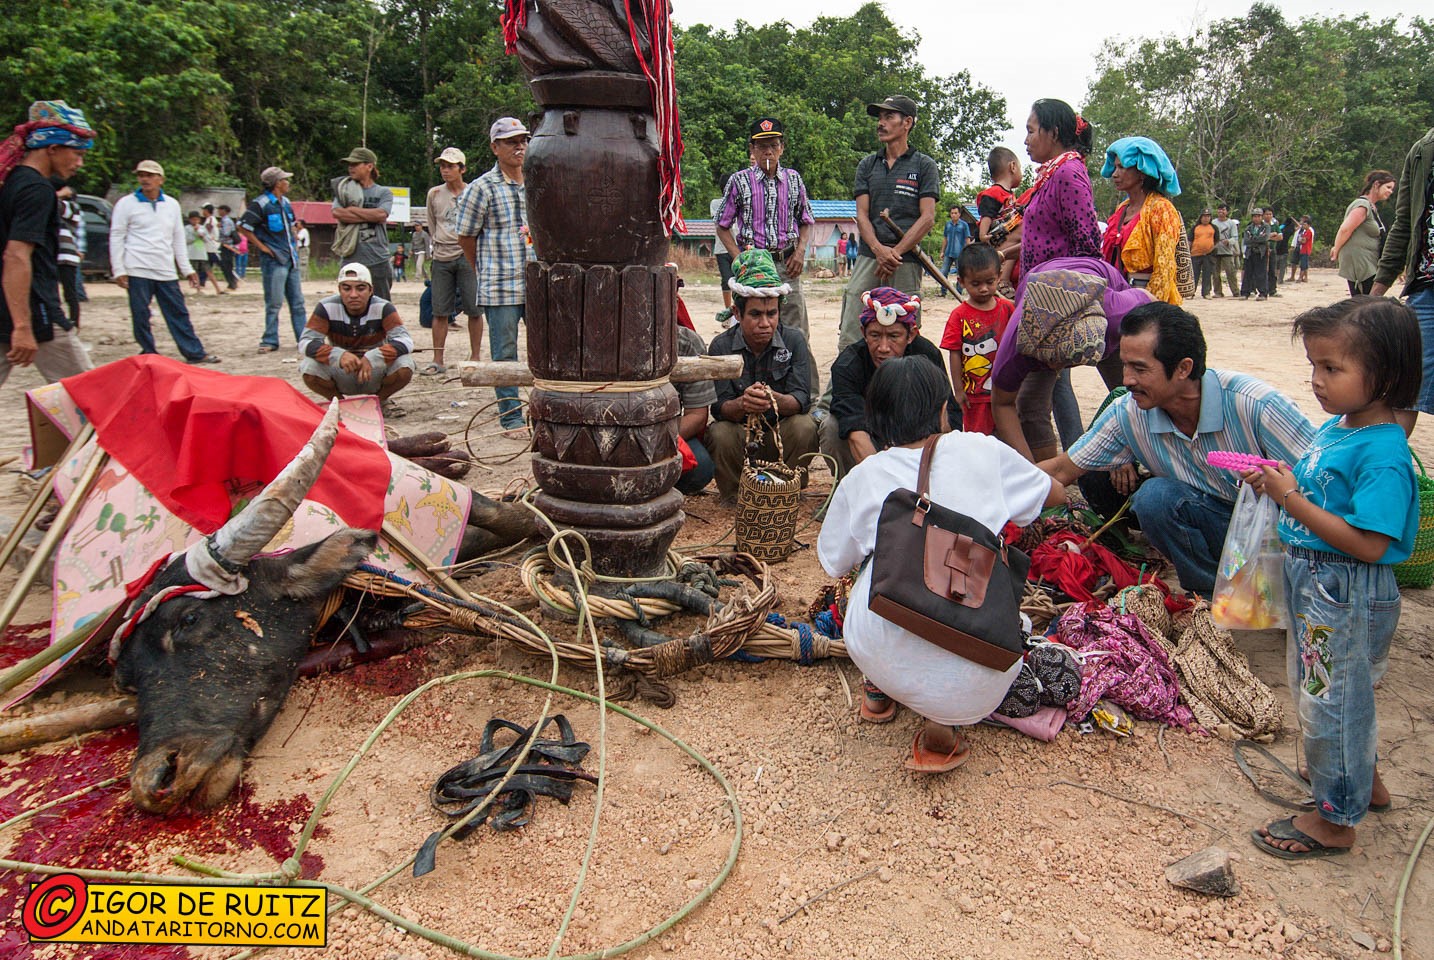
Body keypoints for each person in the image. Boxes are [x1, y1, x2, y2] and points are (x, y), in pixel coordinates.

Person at [817, 355, 1065, 772]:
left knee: (869, 568)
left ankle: (879, 687)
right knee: (970, 572)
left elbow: (833, 560)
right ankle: (944, 723)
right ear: (942, 410)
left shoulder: (863, 477)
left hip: (880, 650)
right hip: (986, 671)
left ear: (874, 418)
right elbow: (1053, 495)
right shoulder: (982, 450)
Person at [1248, 297, 1419, 860]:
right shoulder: (1341, 428)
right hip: (1319, 586)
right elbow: (1325, 493)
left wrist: (1289, 498)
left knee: (1330, 701)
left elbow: (1370, 544)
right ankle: (1361, 783)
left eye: (1332, 368)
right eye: (1314, 367)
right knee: (1334, 693)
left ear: (1386, 375)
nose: (1318, 381)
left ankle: (1335, 820)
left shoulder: (1384, 454)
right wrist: (1283, 479)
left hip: (1341, 589)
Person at [1040, 302, 1314, 596]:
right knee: (1155, 498)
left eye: (1140, 369)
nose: (1126, 380)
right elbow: (1062, 469)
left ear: (1184, 368)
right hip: (1219, 526)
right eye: (1125, 365)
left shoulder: (1256, 404)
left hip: (1280, 537)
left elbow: (1330, 481)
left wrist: (1281, 487)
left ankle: (1277, 587)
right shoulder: (1129, 412)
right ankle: (1211, 593)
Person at [990, 257, 1149, 462]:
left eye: (1067, 362)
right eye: (1049, 360)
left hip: (1100, 284)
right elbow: (1002, 404)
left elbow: (1150, 301)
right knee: (1030, 406)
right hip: (1041, 286)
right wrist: (1034, 476)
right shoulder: (1019, 341)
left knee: (1135, 392)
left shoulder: (1117, 314)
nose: (1057, 369)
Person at [833, 95, 940, 366]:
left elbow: (927, 217)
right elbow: (862, 215)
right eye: (880, 118)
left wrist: (895, 252)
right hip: (870, 256)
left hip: (906, 260)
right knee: (852, 325)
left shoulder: (923, 165)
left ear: (907, 123)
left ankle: (903, 392)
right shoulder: (867, 165)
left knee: (904, 329)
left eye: (889, 117)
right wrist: (880, 251)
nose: (881, 123)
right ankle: (837, 399)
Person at [706, 249, 818, 501]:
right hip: (741, 438)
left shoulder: (795, 340)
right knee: (719, 432)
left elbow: (802, 400)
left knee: (805, 426)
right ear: (737, 313)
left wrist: (772, 399)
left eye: (772, 314)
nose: (765, 323)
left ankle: (787, 491)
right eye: (755, 314)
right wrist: (743, 404)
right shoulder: (720, 347)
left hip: (780, 435)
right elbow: (719, 409)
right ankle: (737, 497)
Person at [0, 99, 95, 387]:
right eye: (76, 154)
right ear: (52, 149)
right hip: (35, 311)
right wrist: (23, 325)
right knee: (93, 396)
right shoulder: (37, 190)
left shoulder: (13, 181)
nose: (79, 163)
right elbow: (16, 256)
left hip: (7, 307)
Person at [821, 285, 954, 480]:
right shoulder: (848, 364)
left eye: (893, 336)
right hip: (870, 437)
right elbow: (855, 430)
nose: (883, 348)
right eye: (875, 335)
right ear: (863, 333)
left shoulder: (927, 356)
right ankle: (854, 488)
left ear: (911, 335)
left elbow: (948, 416)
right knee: (831, 427)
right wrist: (883, 483)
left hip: (916, 440)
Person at [456, 118, 536, 439]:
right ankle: (512, 419)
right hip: (500, 285)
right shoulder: (481, 188)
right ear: (495, 147)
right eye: (510, 141)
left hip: (536, 284)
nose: (519, 147)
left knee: (546, 350)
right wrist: (481, 270)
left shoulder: (536, 181)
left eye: (522, 141)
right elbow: (466, 236)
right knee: (505, 355)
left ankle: (544, 410)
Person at [714, 118, 816, 350]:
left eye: (773, 144)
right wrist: (739, 257)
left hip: (788, 265)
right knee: (754, 333)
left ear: (782, 147)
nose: (768, 151)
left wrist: (800, 252)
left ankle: (802, 387)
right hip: (753, 268)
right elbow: (722, 224)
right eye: (761, 146)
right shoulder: (739, 181)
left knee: (797, 334)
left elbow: (807, 220)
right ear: (752, 149)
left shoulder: (794, 179)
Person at [109, 160, 220, 364]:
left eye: (150, 175)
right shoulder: (126, 204)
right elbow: (117, 236)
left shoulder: (171, 204)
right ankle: (149, 351)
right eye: (141, 175)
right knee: (141, 313)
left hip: (164, 267)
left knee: (178, 311)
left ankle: (194, 352)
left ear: (161, 179)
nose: (145, 179)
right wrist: (119, 269)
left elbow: (177, 238)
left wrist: (186, 269)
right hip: (137, 266)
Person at [1372, 126, 1434, 433]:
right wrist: (1377, 291)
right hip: (1425, 289)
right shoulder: (1423, 150)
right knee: (1406, 390)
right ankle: (1385, 470)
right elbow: (1404, 224)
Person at [299, 262, 414, 400]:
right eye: (346, 289)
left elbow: (405, 341)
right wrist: (338, 355)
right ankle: (340, 403)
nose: (353, 295)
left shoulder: (383, 307)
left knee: (405, 364)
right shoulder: (326, 307)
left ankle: (379, 401)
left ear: (371, 290)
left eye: (360, 288)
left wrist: (374, 357)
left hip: (374, 371)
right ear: (339, 290)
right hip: (341, 370)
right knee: (309, 367)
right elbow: (306, 342)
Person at [1017, 99, 1100, 278]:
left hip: (1056, 297)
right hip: (1041, 293)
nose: (1026, 140)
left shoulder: (1068, 173)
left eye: (1031, 131)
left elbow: (1087, 247)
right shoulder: (1052, 175)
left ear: (1054, 133)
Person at [1100, 136, 1186, 305]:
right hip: (1120, 297)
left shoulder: (1161, 209)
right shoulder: (1121, 209)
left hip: (1147, 298)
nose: (1115, 174)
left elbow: (1164, 269)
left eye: (1122, 167)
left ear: (1142, 173)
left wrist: (1151, 309)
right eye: (1115, 167)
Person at [940, 243, 1013, 436]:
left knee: (1007, 439)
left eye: (990, 282)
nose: (983, 289)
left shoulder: (1007, 309)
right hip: (975, 397)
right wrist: (958, 390)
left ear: (999, 276)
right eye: (975, 284)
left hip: (1006, 393)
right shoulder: (959, 315)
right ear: (962, 281)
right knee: (979, 441)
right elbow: (954, 353)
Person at [424, 146, 481, 376]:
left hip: (466, 255)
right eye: (442, 166)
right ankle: (438, 359)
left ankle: (475, 356)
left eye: (450, 166)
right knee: (439, 310)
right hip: (441, 255)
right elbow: (431, 224)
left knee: (474, 309)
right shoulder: (434, 194)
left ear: (462, 169)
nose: (445, 171)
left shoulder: (473, 192)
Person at [240, 165, 306, 354]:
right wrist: (262, 247)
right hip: (274, 260)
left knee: (298, 302)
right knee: (274, 302)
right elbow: (243, 227)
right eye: (285, 180)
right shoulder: (260, 204)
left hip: (290, 258)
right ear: (277, 183)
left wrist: (294, 240)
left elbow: (292, 225)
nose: (288, 183)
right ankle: (269, 339)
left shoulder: (285, 202)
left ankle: (303, 338)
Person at [332, 146, 394, 301]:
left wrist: (352, 210)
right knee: (350, 302)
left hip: (377, 257)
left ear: (369, 166)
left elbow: (381, 215)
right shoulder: (344, 190)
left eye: (355, 164)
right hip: (350, 257)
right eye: (349, 164)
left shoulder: (383, 192)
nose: (350, 168)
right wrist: (369, 215)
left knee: (381, 304)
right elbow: (338, 213)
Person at [1329, 171, 1395, 299]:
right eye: (1388, 187)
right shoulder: (1362, 205)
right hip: (1361, 264)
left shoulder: (1372, 207)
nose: (1390, 191)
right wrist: (1336, 249)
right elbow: (1345, 229)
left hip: (1370, 261)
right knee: (1364, 301)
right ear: (1376, 184)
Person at [674, 321, 716, 495]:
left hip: (666, 433)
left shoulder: (686, 342)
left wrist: (656, 441)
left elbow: (697, 416)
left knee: (700, 467)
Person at [54, 180, 84, 325]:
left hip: (66, 255)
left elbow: (53, 203)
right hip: (56, 255)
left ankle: (74, 321)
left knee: (70, 292)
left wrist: (58, 194)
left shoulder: (72, 207)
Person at [1240, 208, 1272, 301]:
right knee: (1248, 273)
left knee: (1261, 273)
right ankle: (1245, 292)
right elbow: (1246, 240)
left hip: (1261, 253)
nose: (1256, 218)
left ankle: (1263, 293)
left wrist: (1254, 239)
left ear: (1261, 217)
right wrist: (1257, 239)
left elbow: (1265, 238)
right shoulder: (1249, 227)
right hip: (1250, 252)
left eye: (1258, 216)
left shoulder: (1266, 227)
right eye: (1254, 216)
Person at [939, 206, 971, 297]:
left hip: (960, 253)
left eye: (955, 213)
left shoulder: (964, 225)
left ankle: (958, 293)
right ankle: (943, 292)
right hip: (948, 252)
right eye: (952, 213)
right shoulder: (948, 224)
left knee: (960, 273)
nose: (953, 215)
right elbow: (945, 238)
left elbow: (967, 239)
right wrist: (942, 251)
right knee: (943, 272)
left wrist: (968, 252)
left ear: (959, 214)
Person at [1211, 203, 1241, 297]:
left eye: (1223, 210)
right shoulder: (1213, 223)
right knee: (1215, 273)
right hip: (1215, 251)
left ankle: (1235, 291)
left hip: (1227, 251)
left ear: (1227, 212)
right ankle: (1218, 292)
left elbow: (1235, 237)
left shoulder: (1231, 223)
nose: (1221, 212)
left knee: (1230, 272)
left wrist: (1229, 241)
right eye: (1219, 209)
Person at [184, 210, 212, 295]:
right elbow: (186, 240)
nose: (195, 221)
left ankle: (200, 286)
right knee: (194, 270)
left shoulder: (202, 228)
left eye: (196, 219)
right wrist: (195, 233)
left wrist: (201, 235)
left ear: (199, 220)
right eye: (193, 219)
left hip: (201, 252)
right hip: (192, 253)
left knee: (205, 270)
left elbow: (208, 239)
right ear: (190, 220)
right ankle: (197, 287)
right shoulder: (186, 228)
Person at [1190, 210, 1217, 298]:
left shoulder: (1213, 227)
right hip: (1195, 254)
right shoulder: (1195, 227)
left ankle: (1206, 293)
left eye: (1208, 216)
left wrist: (1211, 249)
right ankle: (1191, 292)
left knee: (1207, 274)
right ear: (1201, 217)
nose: (1206, 218)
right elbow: (1190, 240)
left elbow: (1217, 240)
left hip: (1208, 255)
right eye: (1204, 216)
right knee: (1194, 273)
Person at [216, 204, 241, 290]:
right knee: (226, 265)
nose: (218, 212)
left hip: (228, 245)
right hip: (225, 245)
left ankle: (232, 283)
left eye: (220, 210)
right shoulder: (225, 220)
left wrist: (219, 228)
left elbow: (226, 233)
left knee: (227, 265)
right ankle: (231, 282)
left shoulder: (226, 221)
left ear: (224, 211)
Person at [1271, 214, 1296, 295]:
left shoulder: (1280, 228)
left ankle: (1274, 280)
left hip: (1276, 248)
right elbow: (1299, 227)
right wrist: (1294, 219)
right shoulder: (1290, 230)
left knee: (1274, 267)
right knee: (1282, 267)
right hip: (1284, 250)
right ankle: (1280, 280)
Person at [1291, 216, 1314, 283]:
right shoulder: (1303, 230)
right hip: (1300, 248)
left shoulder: (1309, 231)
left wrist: (1301, 240)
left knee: (1303, 264)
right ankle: (1298, 277)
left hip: (1305, 249)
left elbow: (1304, 241)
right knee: (1297, 262)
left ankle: (1301, 277)